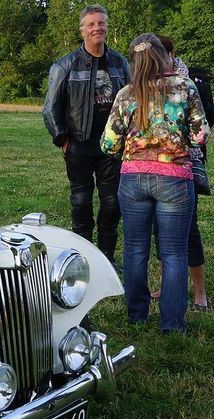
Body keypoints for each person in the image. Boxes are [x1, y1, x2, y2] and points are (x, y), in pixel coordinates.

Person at [100, 33, 209, 332]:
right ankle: (172, 324)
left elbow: (108, 145)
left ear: (134, 60)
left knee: (135, 248)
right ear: (164, 56)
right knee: (174, 252)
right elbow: (201, 135)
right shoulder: (185, 88)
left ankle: (137, 316)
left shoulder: (126, 93)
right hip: (175, 179)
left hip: (133, 179)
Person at [43, 4, 131, 266]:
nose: (97, 28)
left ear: (107, 27)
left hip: (112, 145)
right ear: (82, 30)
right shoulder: (65, 65)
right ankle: (81, 261)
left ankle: (105, 260)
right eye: (91, 25)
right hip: (78, 143)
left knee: (112, 203)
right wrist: (62, 138)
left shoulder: (120, 63)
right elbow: (50, 108)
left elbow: (132, 99)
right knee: (81, 203)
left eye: (101, 23)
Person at [150, 36, 210, 312]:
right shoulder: (149, 83)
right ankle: (169, 285)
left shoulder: (190, 84)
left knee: (189, 229)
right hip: (155, 167)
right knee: (159, 229)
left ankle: (200, 292)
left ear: (172, 54)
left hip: (185, 166)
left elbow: (202, 131)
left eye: (162, 53)